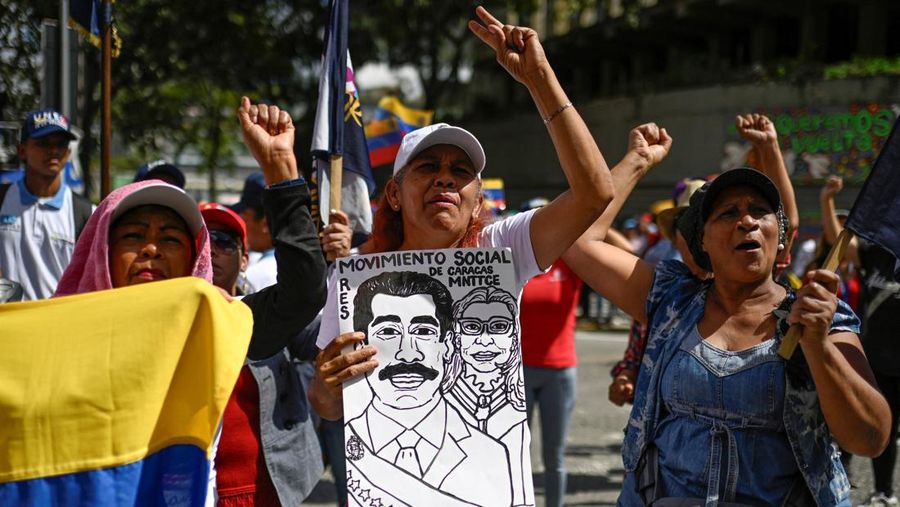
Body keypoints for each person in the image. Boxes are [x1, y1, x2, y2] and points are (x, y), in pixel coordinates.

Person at [54, 97, 328, 505]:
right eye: (132, 236)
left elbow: (304, 292)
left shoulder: (218, 322)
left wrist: (281, 173)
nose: (151, 249)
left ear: (193, 258)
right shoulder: (58, 334)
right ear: (101, 251)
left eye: (169, 238)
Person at [566, 167, 890, 505]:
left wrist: (819, 346)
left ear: (779, 237)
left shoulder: (820, 316)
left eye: (760, 211)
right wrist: (638, 161)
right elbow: (577, 238)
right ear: (702, 239)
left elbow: (870, 439)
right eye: (728, 212)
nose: (747, 221)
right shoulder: (670, 297)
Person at [342, 271, 512, 506]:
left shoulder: (490, 454)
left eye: (423, 332)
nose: (408, 354)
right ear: (360, 345)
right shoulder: (346, 442)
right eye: (389, 332)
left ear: (448, 345)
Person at [820, 175, 900, 507]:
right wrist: (826, 200)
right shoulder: (875, 253)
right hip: (877, 358)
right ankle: (883, 491)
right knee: (883, 427)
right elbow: (839, 244)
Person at [445, 286, 532, 506]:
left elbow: (520, 487)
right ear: (456, 335)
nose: (485, 340)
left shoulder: (514, 407)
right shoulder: (439, 403)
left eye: (499, 326)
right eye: (472, 327)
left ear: (514, 337)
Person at [0, 109, 92, 300]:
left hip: (60, 326)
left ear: (68, 153)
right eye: (43, 143)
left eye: (60, 144)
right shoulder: (2, 200)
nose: (53, 151)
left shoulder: (85, 213)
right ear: (22, 151)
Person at [518, 253, 582, 507]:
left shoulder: (571, 264)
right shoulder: (516, 262)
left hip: (560, 372)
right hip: (518, 370)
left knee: (554, 456)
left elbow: (625, 250)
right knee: (516, 453)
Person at [232, 171, 277, 292]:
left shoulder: (252, 276)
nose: (242, 223)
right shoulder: (309, 269)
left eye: (245, 217)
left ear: (265, 224)